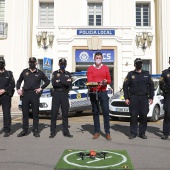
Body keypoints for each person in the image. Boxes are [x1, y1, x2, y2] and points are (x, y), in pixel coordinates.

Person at [16, 57, 50, 137]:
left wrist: (41, 88)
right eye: (30, 62)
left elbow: (47, 81)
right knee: (25, 113)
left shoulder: (40, 73)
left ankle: (35, 130)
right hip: (25, 94)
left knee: (35, 114)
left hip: (35, 95)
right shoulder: (25, 72)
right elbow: (19, 81)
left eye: (33, 62)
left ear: (36, 63)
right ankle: (25, 130)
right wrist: (18, 89)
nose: (31, 63)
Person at [123, 58, 154, 139]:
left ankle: (142, 133)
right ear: (134, 64)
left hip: (144, 97)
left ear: (142, 64)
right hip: (134, 97)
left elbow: (151, 86)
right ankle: (133, 132)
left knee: (143, 115)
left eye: (140, 63)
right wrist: (126, 98)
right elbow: (125, 86)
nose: (139, 64)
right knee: (133, 116)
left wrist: (151, 97)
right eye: (137, 63)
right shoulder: (130, 74)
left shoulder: (147, 74)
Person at [87, 52, 111, 141]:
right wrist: (97, 83)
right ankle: (97, 131)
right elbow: (90, 80)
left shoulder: (105, 68)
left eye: (99, 58)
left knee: (105, 112)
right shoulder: (90, 68)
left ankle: (107, 132)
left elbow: (109, 80)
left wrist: (105, 82)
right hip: (94, 92)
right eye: (96, 57)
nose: (98, 59)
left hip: (103, 92)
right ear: (94, 58)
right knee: (95, 112)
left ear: (102, 59)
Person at [49, 58, 73, 138]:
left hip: (64, 94)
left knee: (65, 113)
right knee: (54, 113)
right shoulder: (55, 73)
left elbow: (69, 84)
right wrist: (64, 82)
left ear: (66, 65)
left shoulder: (68, 74)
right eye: (61, 63)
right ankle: (52, 132)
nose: (63, 65)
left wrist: (60, 81)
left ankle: (66, 132)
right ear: (59, 64)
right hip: (56, 94)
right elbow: (54, 84)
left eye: (64, 64)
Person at [0, 57, 15, 137]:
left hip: (6, 96)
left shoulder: (9, 74)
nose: (0, 64)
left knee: (6, 114)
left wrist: (4, 90)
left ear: (4, 64)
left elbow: (12, 85)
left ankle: (7, 130)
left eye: (2, 62)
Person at [159, 57, 170, 140]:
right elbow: (161, 84)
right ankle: (165, 133)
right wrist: (165, 89)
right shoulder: (165, 73)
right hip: (168, 96)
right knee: (167, 115)